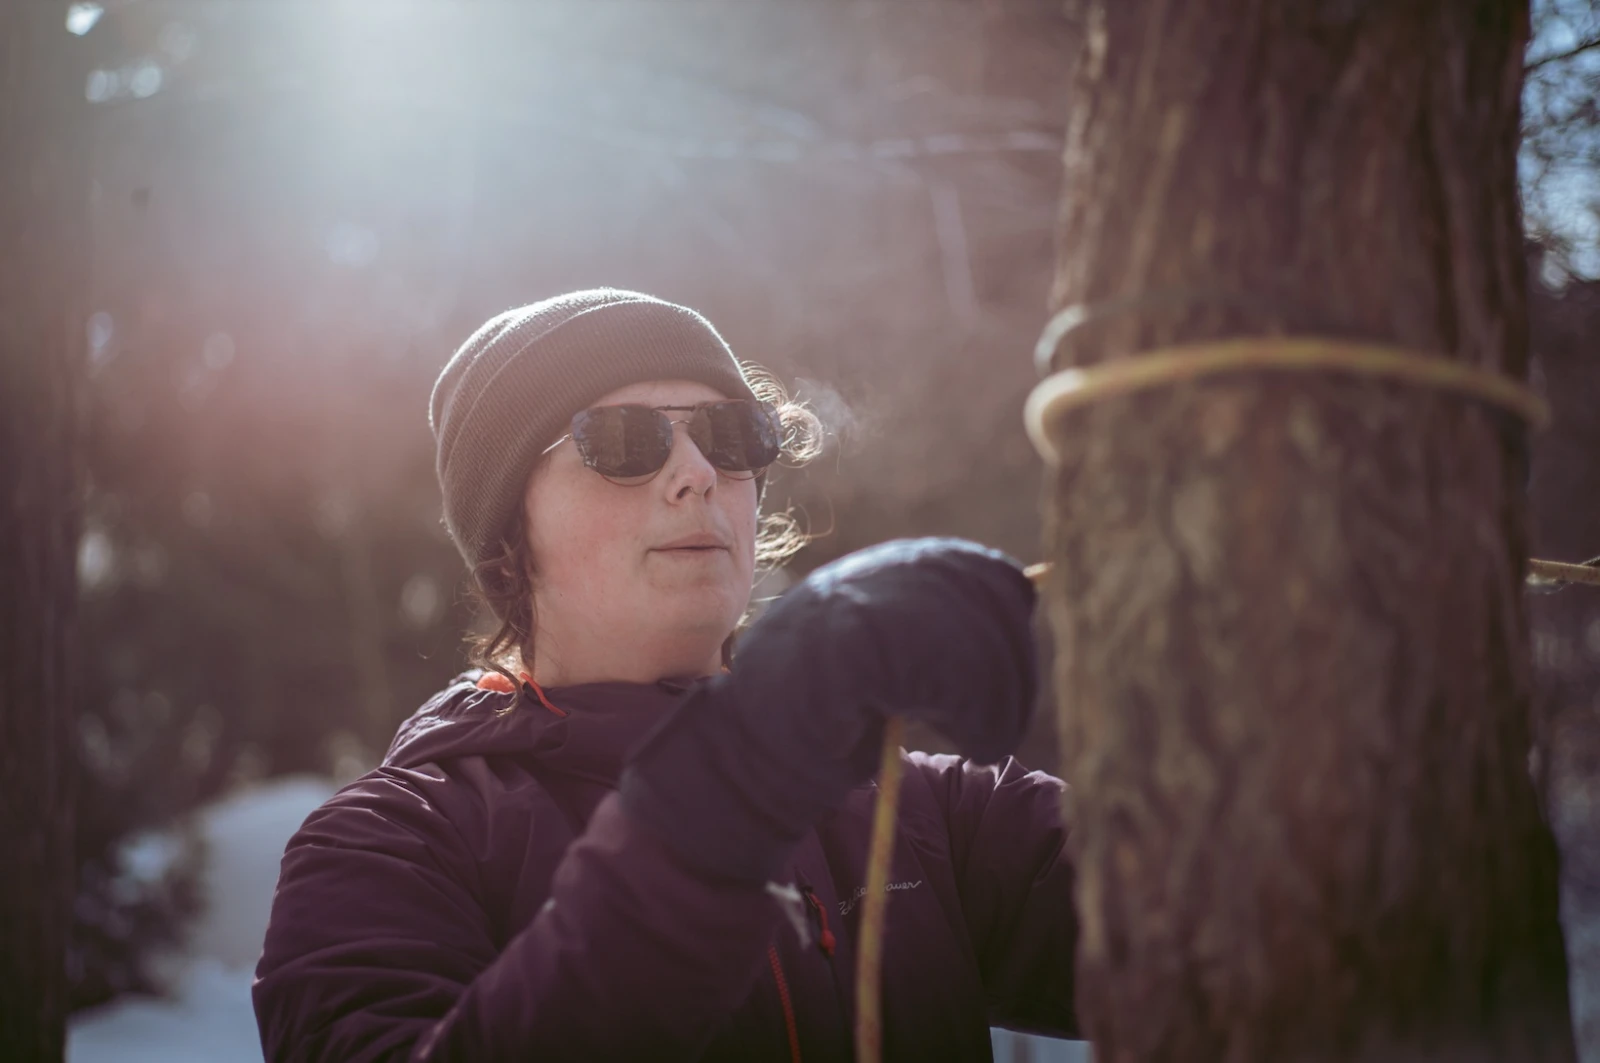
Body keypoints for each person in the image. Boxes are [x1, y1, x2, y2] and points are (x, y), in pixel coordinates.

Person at [253, 288, 1079, 1061]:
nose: (699, 471)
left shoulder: (920, 809)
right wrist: (738, 776)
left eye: (731, 435)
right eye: (624, 441)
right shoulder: (390, 844)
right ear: (509, 531)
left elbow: (1161, 904)